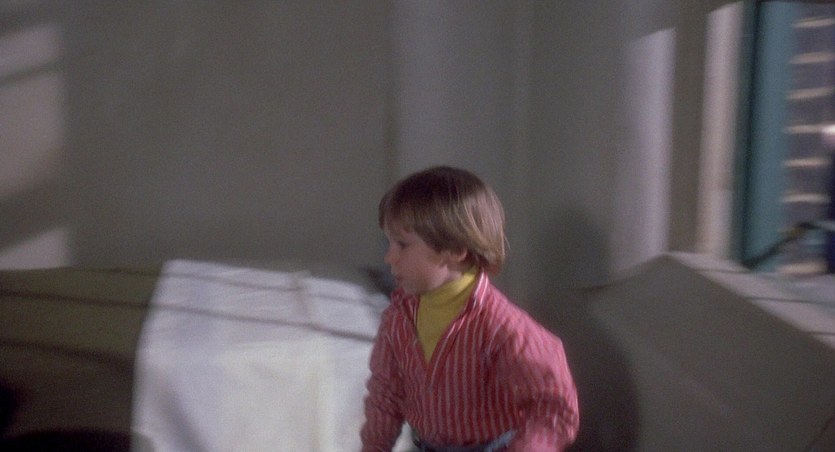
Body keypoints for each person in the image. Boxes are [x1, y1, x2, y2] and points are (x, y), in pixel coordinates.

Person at [361, 166, 580, 451]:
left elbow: (554, 408)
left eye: (402, 245)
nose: (389, 257)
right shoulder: (398, 316)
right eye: (389, 243)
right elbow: (385, 394)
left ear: (455, 250)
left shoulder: (505, 328)